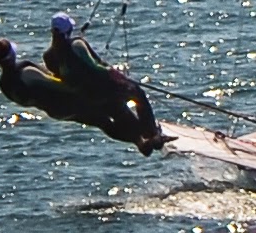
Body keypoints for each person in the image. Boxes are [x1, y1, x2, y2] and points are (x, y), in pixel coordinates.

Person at [0, 38, 163, 154]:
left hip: (58, 112)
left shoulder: (5, 85)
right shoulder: (27, 73)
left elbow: (34, 92)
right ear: (12, 54)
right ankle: (149, 137)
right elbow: (59, 85)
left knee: (103, 123)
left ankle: (140, 142)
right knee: (114, 106)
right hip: (71, 103)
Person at [43, 12, 165, 155]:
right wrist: (113, 73)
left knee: (121, 114)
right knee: (138, 94)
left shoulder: (48, 57)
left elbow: (63, 77)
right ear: (68, 29)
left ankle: (142, 143)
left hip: (89, 96)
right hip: (107, 87)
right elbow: (94, 66)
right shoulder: (77, 44)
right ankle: (152, 134)